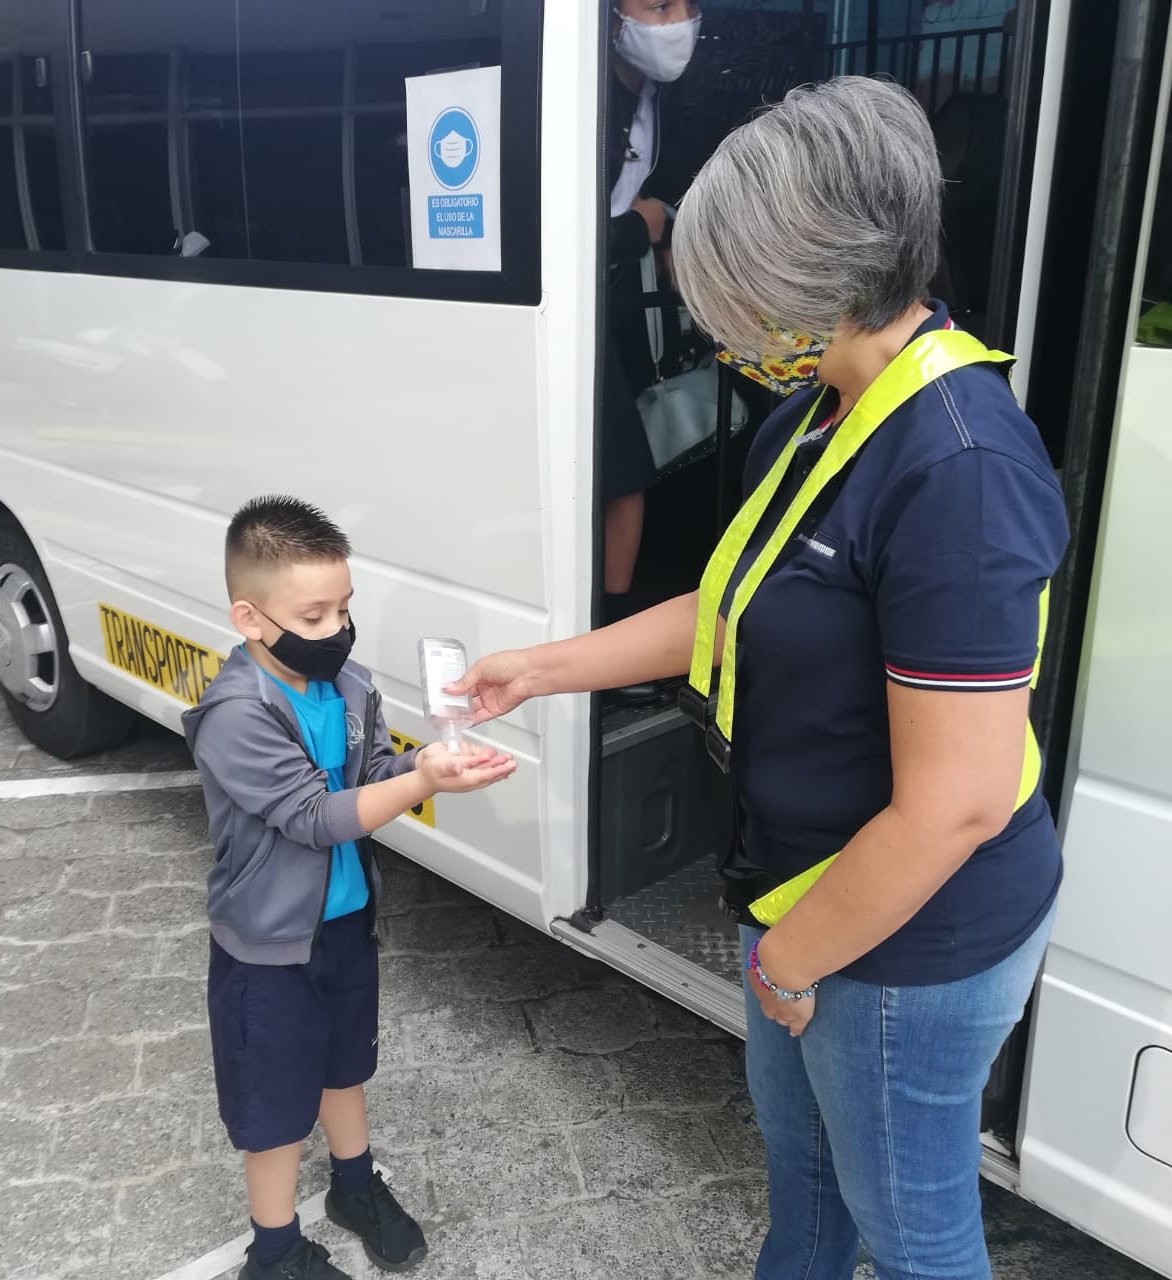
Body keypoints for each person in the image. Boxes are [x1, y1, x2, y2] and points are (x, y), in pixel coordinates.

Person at [451, 77, 1070, 1280]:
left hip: (902, 937)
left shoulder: (958, 467)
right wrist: (543, 666)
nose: (715, 329)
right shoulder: (819, 411)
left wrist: (791, 958)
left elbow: (954, 804)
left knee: (912, 1235)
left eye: (728, 296)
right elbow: (730, 602)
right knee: (806, 1190)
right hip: (799, 896)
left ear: (815, 278)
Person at [183, 496, 516, 1280]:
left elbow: (369, 777)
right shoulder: (235, 714)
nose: (336, 629)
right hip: (268, 949)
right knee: (273, 1106)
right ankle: (274, 1252)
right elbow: (314, 817)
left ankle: (355, 1186)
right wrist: (421, 784)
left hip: (344, 924)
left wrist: (424, 765)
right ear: (249, 618)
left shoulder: (349, 686)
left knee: (345, 1063)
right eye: (314, 615)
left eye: (344, 608)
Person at [601, 0, 701, 625]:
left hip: (618, 296)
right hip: (584, 301)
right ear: (611, 15)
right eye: (659, 6)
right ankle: (610, 622)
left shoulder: (658, 98)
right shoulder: (583, 98)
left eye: (687, 6)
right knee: (625, 475)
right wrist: (640, 229)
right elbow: (548, 234)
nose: (679, 22)